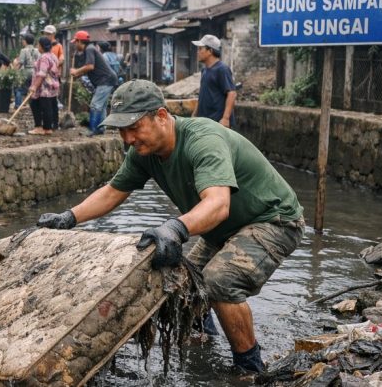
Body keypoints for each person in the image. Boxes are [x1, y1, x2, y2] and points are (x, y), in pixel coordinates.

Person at [37, 79, 304, 374]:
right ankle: (206, 338)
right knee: (180, 280)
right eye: (121, 131)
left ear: (161, 117)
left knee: (219, 281)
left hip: (273, 220)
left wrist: (175, 228)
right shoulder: (144, 153)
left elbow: (218, 204)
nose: (127, 139)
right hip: (223, 229)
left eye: (133, 127)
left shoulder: (203, 139)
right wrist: (69, 217)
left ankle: (250, 368)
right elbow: (113, 192)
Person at [69, 30, 118, 136]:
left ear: (79, 41)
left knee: (95, 105)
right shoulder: (89, 49)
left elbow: (90, 66)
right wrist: (77, 75)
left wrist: (76, 71)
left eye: (75, 42)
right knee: (102, 106)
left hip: (106, 80)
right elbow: (89, 69)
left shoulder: (90, 49)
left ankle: (93, 129)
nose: (75, 45)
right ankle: (101, 129)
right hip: (107, 79)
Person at [192, 34, 236, 129]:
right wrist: (194, 114)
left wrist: (225, 118)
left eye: (200, 49)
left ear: (210, 51)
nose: (198, 52)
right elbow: (202, 95)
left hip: (217, 122)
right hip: (205, 121)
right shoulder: (205, 70)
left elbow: (231, 93)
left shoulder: (222, 69)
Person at [27, 37, 59, 135]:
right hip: (52, 86)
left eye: (38, 45)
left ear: (41, 46)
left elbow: (42, 73)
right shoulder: (53, 56)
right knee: (50, 106)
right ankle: (49, 127)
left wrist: (34, 86)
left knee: (36, 104)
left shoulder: (44, 57)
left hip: (44, 87)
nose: (37, 47)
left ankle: (41, 127)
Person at [42, 25, 64, 129]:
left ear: (53, 35)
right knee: (46, 101)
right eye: (45, 33)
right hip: (44, 76)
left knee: (52, 100)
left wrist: (53, 66)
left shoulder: (58, 46)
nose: (46, 35)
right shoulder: (43, 44)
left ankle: (54, 123)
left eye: (48, 34)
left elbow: (62, 58)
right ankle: (48, 122)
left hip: (53, 76)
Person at [13, 33, 40, 110]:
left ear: (25, 41)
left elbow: (20, 63)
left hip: (26, 72)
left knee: (19, 89)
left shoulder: (23, 50)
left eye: (23, 40)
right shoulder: (37, 50)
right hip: (35, 72)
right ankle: (34, 106)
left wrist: (14, 71)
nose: (22, 41)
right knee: (33, 89)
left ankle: (18, 105)